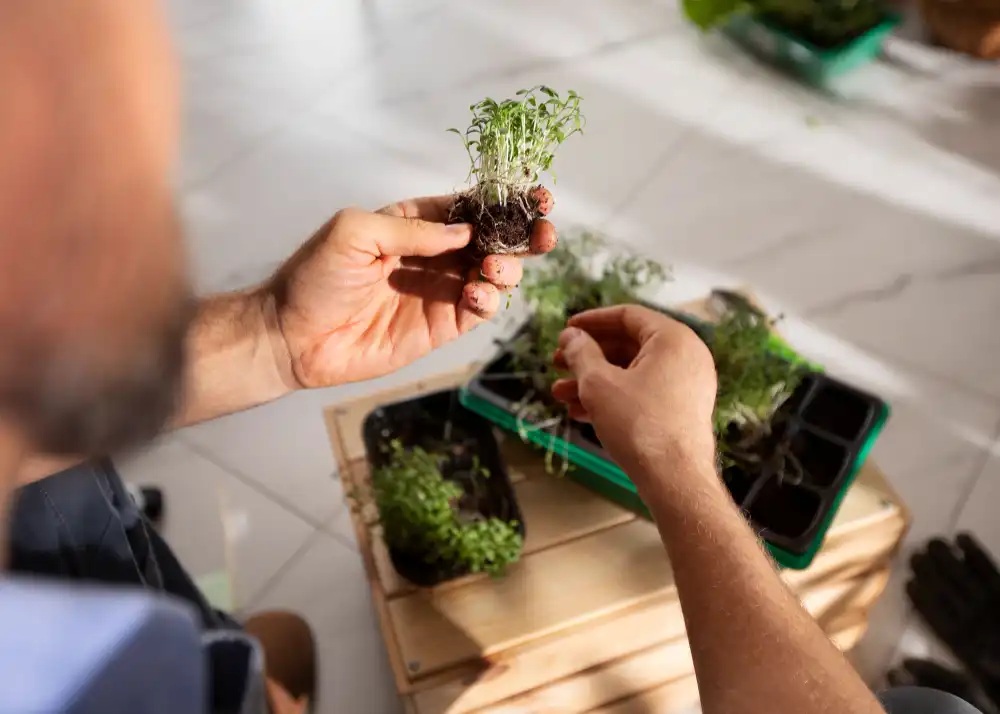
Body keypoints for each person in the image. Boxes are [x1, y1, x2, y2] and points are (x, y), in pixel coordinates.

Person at [0, 2, 980, 714]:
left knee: (137, 568)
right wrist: (677, 463)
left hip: (101, 583)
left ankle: (237, 676)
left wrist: (271, 333)